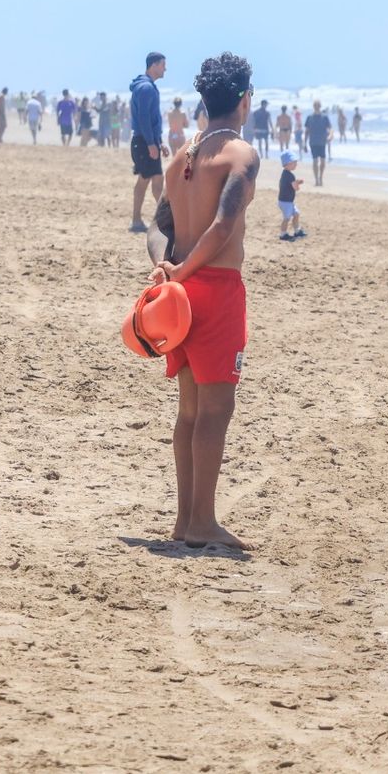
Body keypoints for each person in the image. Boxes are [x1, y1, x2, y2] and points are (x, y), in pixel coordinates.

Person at [146, 51, 260, 551]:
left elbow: (158, 227)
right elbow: (223, 226)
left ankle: (185, 520)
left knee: (190, 410)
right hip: (214, 290)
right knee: (216, 410)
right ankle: (203, 522)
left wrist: (164, 266)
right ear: (245, 99)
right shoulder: (241, 155)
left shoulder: (182, 157)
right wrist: (187, 268)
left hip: (181, 293)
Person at [129, 51, 167, 233]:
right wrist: (152, 143)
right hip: (144, 142)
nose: (165, 69)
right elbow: (143, 118)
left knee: (155, 180)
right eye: (163, 65)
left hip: (146, 141)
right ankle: (139, 220)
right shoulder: (146, 88)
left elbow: (151, 119)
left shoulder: (147, 86)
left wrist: (159, 142)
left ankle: (163, 220)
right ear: (154, 65)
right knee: (148, 181)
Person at [277, 149, 306, 241]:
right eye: (294, 162)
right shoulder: (289, 175)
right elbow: (295, 188)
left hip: (287, 201)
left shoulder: (285, 174)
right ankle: (283, 234)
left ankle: (297, 230)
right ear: (288, 164)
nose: (296, 164)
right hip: (285, 201)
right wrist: (297, 184)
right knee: (287, 218)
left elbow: (290, 184)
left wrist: (296, 182)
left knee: (296, 213)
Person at [304, 101, 332, 185]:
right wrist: (304, 143)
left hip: (322, 142)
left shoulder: (324, 117)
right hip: (313, 142)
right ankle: (316, 179)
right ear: (313, 106)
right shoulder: (309, 117)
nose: (317, 107)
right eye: (315, 105)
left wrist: (330, 135)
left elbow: (330, 128)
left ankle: (321, 177)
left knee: (323, 162)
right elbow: (306, 131)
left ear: (320, 106)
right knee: (315, 161)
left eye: (318, 105)